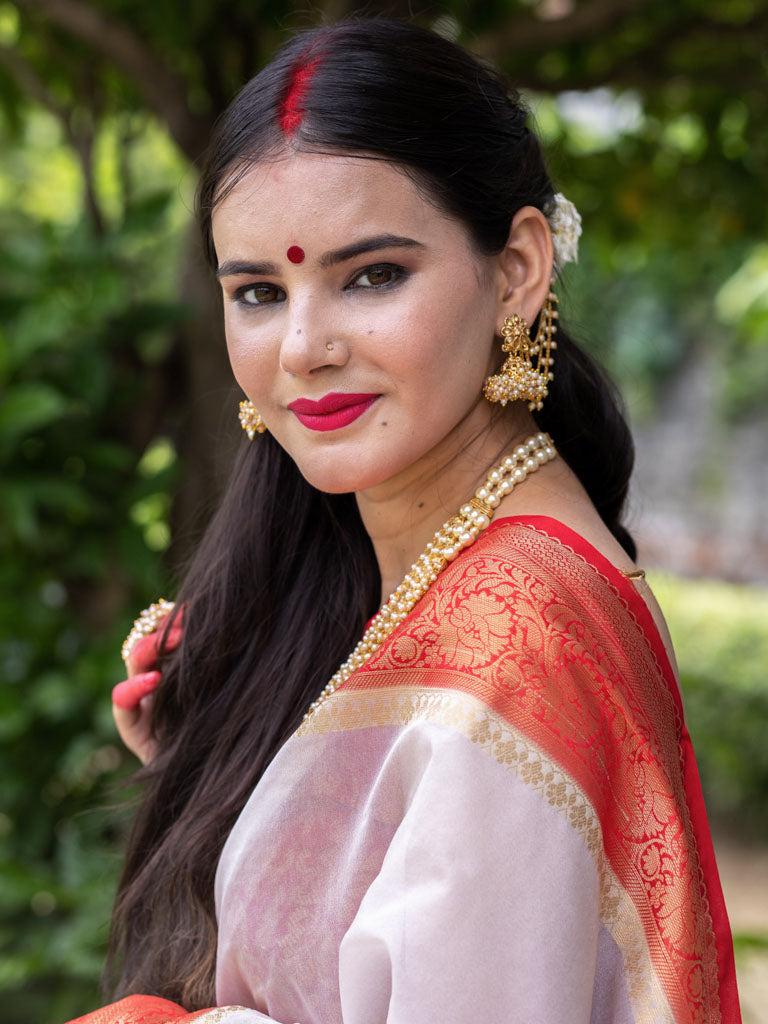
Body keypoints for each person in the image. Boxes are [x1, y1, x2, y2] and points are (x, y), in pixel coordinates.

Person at [68, 17, 740, 1024]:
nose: (302, 347)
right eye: (257, 290)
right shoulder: (429, 562)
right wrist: (231, 746)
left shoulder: (517, 637)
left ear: (516, 271)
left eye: (371, 275)